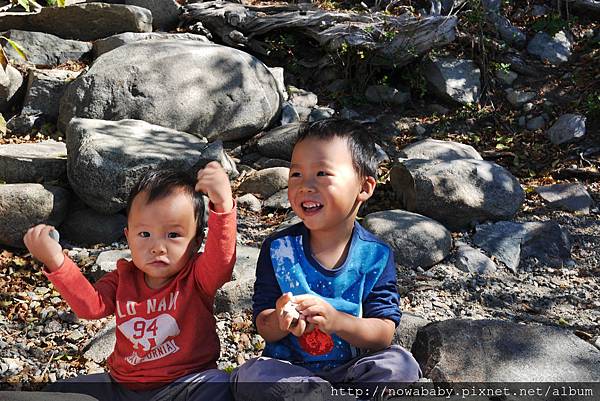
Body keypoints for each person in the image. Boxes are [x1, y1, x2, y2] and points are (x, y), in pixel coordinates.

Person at [231, 119, 420, 401]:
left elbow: (383, 333)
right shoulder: (278, 248)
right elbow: (264, 325)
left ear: (364, 188)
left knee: (400, 364)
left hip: (353, 371)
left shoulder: (375, 255)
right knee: (251, 375)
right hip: (292, 372)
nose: (306, 186)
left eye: (322, 173)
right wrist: (281, 320)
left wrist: (336, 321)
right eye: (296, 174)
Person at [23, 162, 237, 401]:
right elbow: (91, 307)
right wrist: (56, 261)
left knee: (219, 386)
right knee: (59, 392)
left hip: (184, 384)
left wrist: (223, 205)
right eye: (144, 234)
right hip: (121, 386)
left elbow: (221, 262)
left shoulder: (196, 276)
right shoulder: (124, 277)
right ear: (128, 237)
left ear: (196, 241)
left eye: (173, 235)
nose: (157, 248)